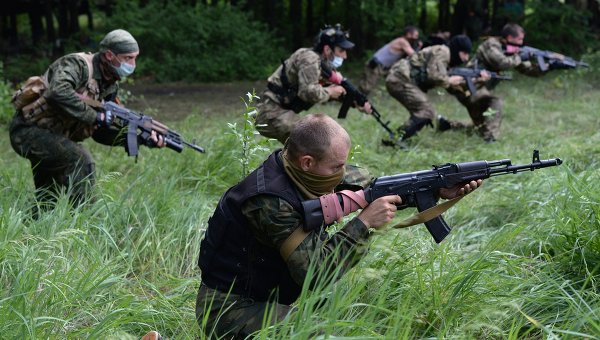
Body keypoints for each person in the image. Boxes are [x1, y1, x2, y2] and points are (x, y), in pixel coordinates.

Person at [195, 114, 482, 338]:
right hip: (227, 308)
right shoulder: (270, 202)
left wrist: (434, 191)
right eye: (337, 167)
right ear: (308, 162)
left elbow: (373, 188)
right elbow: (316, 274)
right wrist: (363, 223)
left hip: (271, 294)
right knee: (321, 335)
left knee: (348, 313)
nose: (344, 173)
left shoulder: (301, 171)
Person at [9, 29, 163, 215]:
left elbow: (99, 132)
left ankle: (31, 233)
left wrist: (140, 139)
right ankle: (84, 222)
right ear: (109, 55)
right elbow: (58, 91)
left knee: (47, 200)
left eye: (135, 58)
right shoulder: (78, 65)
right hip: (28, 131)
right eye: (128, 58)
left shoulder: (110, 84)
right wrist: (95, 116)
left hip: (53, 136)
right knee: (80, 160)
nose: (132, 64)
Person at [255, 24, 371, 144]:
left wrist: (355, 102)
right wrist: (331, 92)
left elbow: (323, 89)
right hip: (270, 113)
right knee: (312, 142)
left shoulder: (322, 63)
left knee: (309, 145)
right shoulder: (310, 60)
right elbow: (308, 92)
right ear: (327, 49)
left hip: (279, 111)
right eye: (341, 50)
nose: (345, 56)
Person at [439, 23, 543, 142]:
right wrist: (520, 57)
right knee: (494, 102)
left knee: (481, 128)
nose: (521, 43)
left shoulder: (511, 51)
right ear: (509, 37)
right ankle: (491, 139)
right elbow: (502, 63)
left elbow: (528, 70)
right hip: (469, 85)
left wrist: (548, 66)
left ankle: (446, 125)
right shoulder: (492, 45)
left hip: (478, 88)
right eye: (519, 39)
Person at [384, 35, 481, 145]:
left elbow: (451, 85)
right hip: (400, 79)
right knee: (426, 111)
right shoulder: (444, 53)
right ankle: (395, 139)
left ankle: (400, 138)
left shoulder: (447, 60)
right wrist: (449, 80)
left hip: (401, 79)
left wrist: (476, 80)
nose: (466, 58)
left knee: (426, 112)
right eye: (465, 53)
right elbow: (434, 76)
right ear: (457, 50)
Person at [358, 26, 421, 95]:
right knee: (366, 87)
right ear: (408, 34)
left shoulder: (402, 41)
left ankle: (357, 99)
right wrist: (419, 47)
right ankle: (357, 101)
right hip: (376, 65)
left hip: (380, 65)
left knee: (366, 85)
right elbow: (413, 55)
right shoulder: (402, 41)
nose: (416, 38)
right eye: (415, 35)